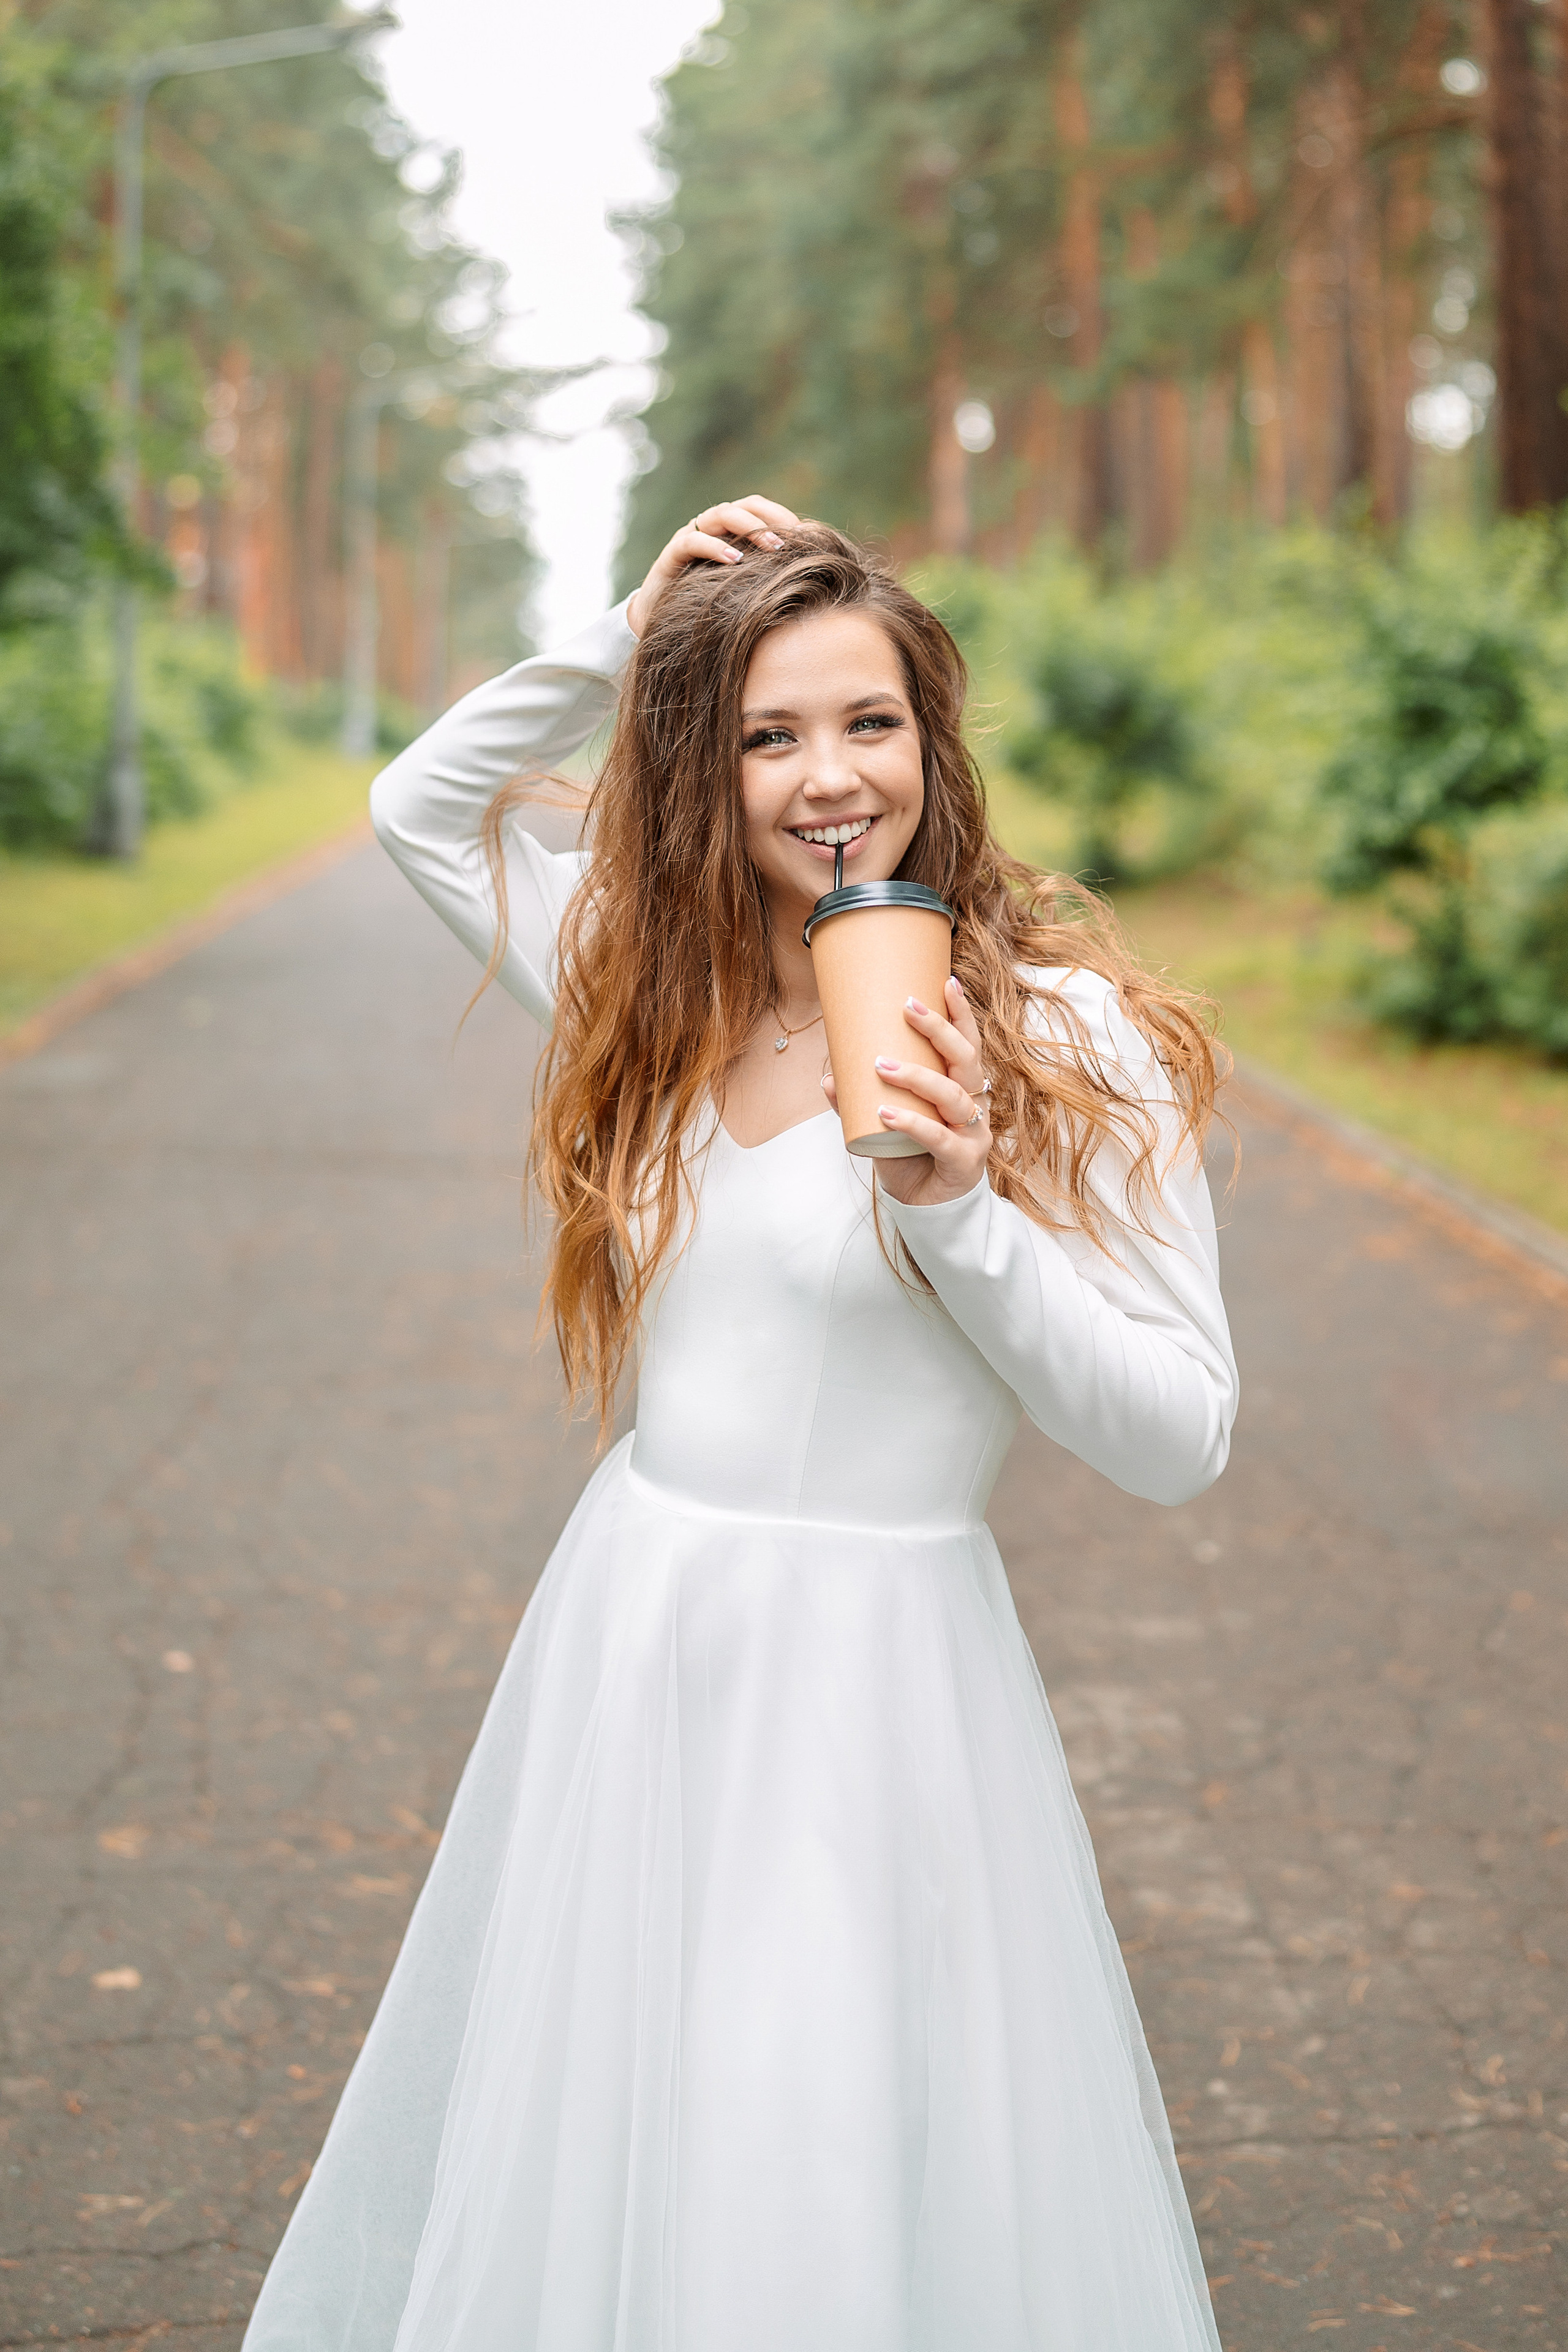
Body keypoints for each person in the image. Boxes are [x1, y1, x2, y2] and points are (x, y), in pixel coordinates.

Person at [241, 497, 1238, 2352]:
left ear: (935, 745)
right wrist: (635, 633)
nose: (827, 778)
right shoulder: (651, 983)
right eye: (770, 734)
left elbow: (1182, 1432)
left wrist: (963, 1215)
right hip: (635, 1650)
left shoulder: (1072, 1047)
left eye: (868, 723)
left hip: (880, 1691)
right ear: (713, 765)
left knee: (820, 2158)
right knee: (627, 2142)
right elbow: (416, 807)